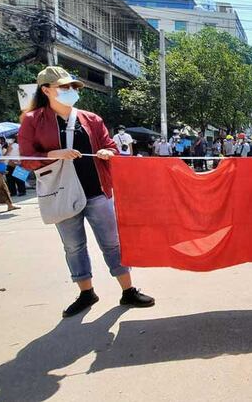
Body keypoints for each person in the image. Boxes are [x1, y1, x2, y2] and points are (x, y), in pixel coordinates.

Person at [18, 66, 154, 318]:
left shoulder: (91, 119)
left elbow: (110, 146)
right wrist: (52, 154)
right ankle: (86, 292)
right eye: (63, 87)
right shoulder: (32, 120)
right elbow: (26, 159)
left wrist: (108, 152)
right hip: (61, 193)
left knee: (112, 243)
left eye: (72, 87)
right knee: (74, 246)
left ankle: (128, 290)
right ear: (46, 90)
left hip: (97, 191)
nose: (70, 91)